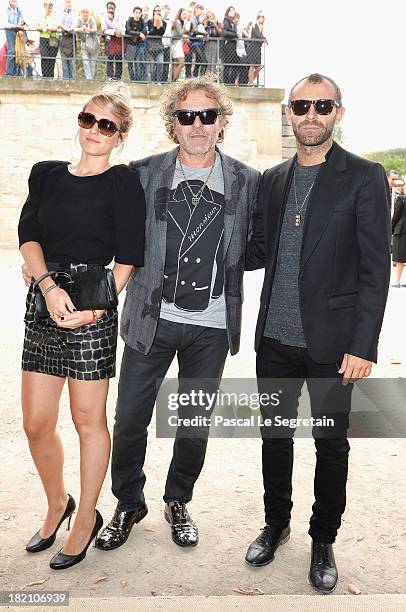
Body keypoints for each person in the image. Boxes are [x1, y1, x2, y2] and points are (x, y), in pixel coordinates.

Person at [94, 75, 260, 552]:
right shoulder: (141, 175)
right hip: (151, 321)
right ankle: (129, 502)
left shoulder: (247, 181)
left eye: (208, 115)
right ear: (173, 122)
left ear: (222, 121)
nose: (198, 125)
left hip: (210, 329)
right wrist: (39, 257)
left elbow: (259, 246)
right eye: (187, 115)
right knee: (129, 420)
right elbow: (98, 227)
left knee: (193, 425)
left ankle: (178, 500)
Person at [245, 73, 390, 593]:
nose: (311, 114)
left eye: (321, 105)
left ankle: (322, 538)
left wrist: (363, 344)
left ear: (338, 112)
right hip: (275, 342)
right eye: (301, 105)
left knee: (330, 446)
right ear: (289, 113)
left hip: (333, 347)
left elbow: (377, 268)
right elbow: (258, 251)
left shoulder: (365, 176)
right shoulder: (273, 179)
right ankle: (276, 524)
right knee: (274, 437)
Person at [19, 84, 146, 570]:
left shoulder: (122, 183)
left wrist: (95, 309)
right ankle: (58, 502)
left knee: (88, 421)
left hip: (93, 309)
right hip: (45, 303)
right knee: (35, 423)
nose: (94, 130)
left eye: (107, 125)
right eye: (88, 119)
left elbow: (129, 257)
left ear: (120, 136)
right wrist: (49, 288)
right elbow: (28, 236)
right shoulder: (46, 174)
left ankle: (86, 516)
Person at [36, 1, 60, 79]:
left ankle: (51, 77)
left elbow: (56, 27)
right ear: (44, 7)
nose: (49, 9)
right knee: (45, 57)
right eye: (47, 7)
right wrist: (43, 28)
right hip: (43, 39)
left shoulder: (55, 16)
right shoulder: (40, 16)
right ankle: (45, 77)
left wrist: (47, 28)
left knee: (52, 59)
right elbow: (38, 27)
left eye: (50, 7)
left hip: (53, 39)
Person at [101, 1, 124, 81]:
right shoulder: (103, 17)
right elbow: (104, 30)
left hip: (118, 42)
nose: (111, 10)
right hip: (109, 41)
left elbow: (120, 28)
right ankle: (110, 77)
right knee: (109, 59)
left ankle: (117, 78)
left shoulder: (118, 17)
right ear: (107, 9)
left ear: (114, 9)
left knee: (119, 60)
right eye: (109, 8)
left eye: (112, 8)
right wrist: (114, 32)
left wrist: (112, 21)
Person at [75, 7, 99, 80]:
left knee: (92, 63)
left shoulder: (91, 19)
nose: (85, 16)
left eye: (86, 15)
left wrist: (89, 30)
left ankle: (91, 79)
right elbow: (75, 28)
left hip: (93, 43)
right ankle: (88, 79)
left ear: (88, 14)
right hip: (84, 42)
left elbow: (95, 29)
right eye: (83, 15)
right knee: (85, 61)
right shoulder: (79, 19)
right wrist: (81, 29)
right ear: (81, 14)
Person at [125, 5, 147, 82]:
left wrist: (137, 33)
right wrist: (139, 34)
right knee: (130, 63)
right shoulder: (130, 20)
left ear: (141, 14)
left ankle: (137, 80)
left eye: (139, 13)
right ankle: (132, 79)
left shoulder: (142, 20)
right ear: (133, 13)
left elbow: (145, 31)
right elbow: (128, 30)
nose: (137, 14)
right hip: (130, 44)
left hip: (138, 44)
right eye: (136, 12)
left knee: (137, 63)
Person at [4, 0, 26, 76]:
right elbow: (5, 24)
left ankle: (16, 72)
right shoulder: (6, 10)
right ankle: (8, 73)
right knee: (12, 51)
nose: (14, 1)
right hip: (10, 31)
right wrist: (16, 26)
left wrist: (22, 24)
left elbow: (22, 20)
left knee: (18, 51)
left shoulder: (18, 9)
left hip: (17, 31)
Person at [391, 181, 406, 287]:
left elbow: (396, 215)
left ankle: (397, 281)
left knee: (400, 257)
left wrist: (391, 229)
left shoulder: (402, 198)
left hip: (402, 230)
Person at [147, 4, 165, 82]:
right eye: (155, 10)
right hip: (150, 46)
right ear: (153, 12)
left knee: (160, 63)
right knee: (152, 66)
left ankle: (158, 81)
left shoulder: (164, 23)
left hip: (159, 46)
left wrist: (159, 23)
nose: (157, 12)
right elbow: (151, 33)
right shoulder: (149, 21)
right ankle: (153, 81)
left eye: (159, 11)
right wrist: (155, 25)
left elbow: (161, 33)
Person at [247, 11, 266, 87]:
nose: (261, 18)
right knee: (252, 66)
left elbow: (261, 38)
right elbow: (258, 35)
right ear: (257, 17)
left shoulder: (262, 27)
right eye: (259, 16)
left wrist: (263, 38)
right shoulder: (255, 24)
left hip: (258, 49)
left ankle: (250, 81)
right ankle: (250, 82)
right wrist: (264, 38)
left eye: (262, 17)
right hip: (253, 48)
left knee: (258, 67)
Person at [171, 8, 189, 82]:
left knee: (176, 64)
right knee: (181, 63)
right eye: (183, 14)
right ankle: (174, 80)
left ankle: (174, 79)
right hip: (176, 43)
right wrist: (185, 24)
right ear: (180, 14)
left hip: (176, 43)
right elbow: (181, 33)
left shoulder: (179, 22)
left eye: (186, 14)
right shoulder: (178, 22)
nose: (185, 15)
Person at [222, 6, 238, 85]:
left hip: (234, 45)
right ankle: (226, 82)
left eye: (233, 11)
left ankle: (231, 82)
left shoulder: (233, 22)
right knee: (228, 64)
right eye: (231, 11)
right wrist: (235, 34)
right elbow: (225, 33)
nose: (232, 12)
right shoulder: (226, 20)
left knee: (234, 64)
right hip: (229, 45)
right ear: (228, 12)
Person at [60, 0, 75, 79]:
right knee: (64, 63)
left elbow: (75, 23)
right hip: (63, 36)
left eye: (69, 2)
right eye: (66, 2)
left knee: (72, 62)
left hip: (72, 37)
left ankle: (72, 79)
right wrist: (65, 29)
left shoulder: (74, 12)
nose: (68, 4)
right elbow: (60, 23)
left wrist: (70, 29)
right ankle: (66, 80)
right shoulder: (61, 12)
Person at [203, 10, 220, 77]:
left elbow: (220, 33)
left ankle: (213, 75)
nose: (209, 17)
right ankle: (207, 75)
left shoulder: (217, 22)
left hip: (215, 42)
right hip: (207, 43)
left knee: (214, 59)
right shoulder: (205, 23)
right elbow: (202, 32)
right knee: (208, 59)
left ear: (213, 16)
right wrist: (205, 24)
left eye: (211, 16)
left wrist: (215, 25)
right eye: (208, 16)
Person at [161, 4, 172, 82]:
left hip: (168, 45)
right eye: (166, 9)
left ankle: (164, 80)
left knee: (166, 64)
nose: (167, 11)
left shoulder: (171, 21)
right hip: (160, 45)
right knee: (160, 63)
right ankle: (159, 80)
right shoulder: (160, 20)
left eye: (168, 9)